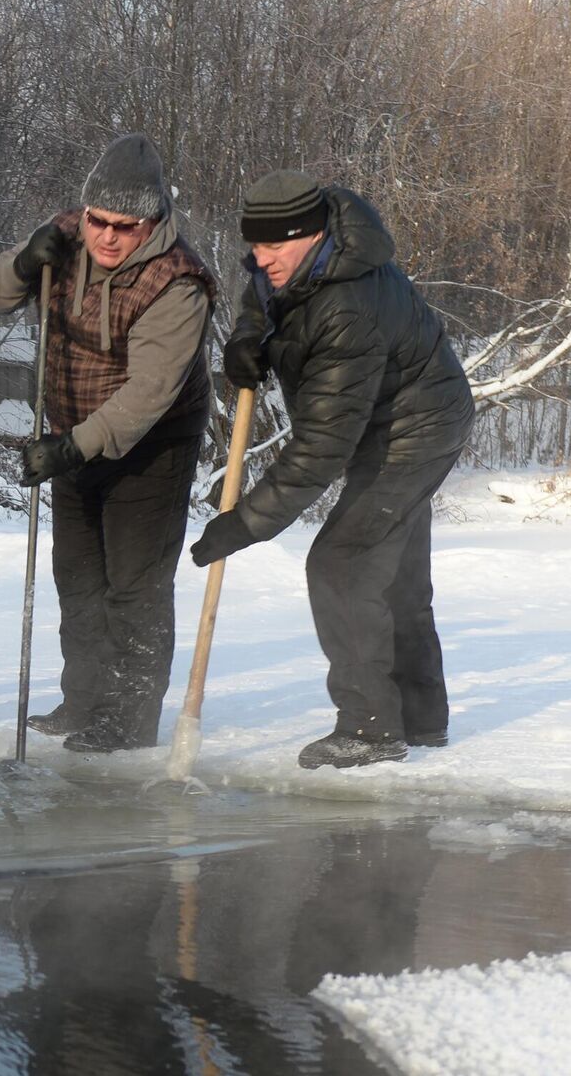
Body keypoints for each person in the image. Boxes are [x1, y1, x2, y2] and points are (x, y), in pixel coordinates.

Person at [189, 170, 476, 769]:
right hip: (385, 420)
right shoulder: (300, 263)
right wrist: (249, 339)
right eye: (256, 245)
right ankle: (420, 720)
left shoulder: (347, 304)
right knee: (389, 573)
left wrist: (243, 525)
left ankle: (371, 729)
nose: (260, 258)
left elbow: (320, 449)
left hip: (414, 429)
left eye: (273, 246)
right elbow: (260, 295)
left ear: (311, 233)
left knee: (342, 564)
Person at [0, 133, 217, 753]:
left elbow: (148, 393)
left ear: (153, 221)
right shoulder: (63, 239)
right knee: (78, 576)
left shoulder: (178, 281)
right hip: (74, 432)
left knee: (133, 584)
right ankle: (83, 700)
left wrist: (69, 448)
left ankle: (130, 719)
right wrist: (26, 264)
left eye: (124, 226)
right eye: (97, 221)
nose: (105, 237)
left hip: (152, 442)